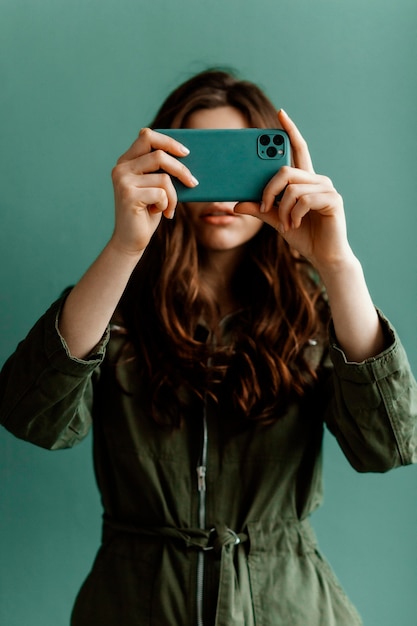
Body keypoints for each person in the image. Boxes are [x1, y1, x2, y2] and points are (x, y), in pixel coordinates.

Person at [1, 68, 416, 626]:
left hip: (288, 605)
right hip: (132, 604)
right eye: (201, 159)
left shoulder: (318, 311)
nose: (221, 186)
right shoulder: (115, 307)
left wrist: (336, 263)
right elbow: (31, 418)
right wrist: (125, 246)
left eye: (247, 157)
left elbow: (390, 444)